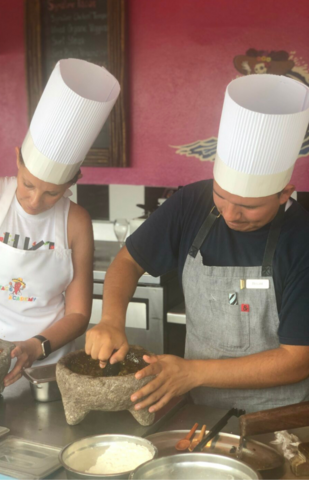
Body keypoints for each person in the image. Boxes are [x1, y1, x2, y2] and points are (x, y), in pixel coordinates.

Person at [85, 74, 309, 413]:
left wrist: (192, 372)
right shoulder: (192, 201)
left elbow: (298, 360)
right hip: (200, 409)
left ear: (284, 194)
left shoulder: (302, 240)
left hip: (278, 418)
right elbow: (129, 260)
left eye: (248, 207)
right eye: (221, 196)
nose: (231, 214)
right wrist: (111, 320)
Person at [0, 58, 120, 386]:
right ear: (17, 159)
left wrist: (35, 346)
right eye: (28, 184)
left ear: (73, 182)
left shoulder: (76, 222)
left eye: (52, 194)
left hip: (46, 373)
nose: (34, 201)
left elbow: (77, 314)